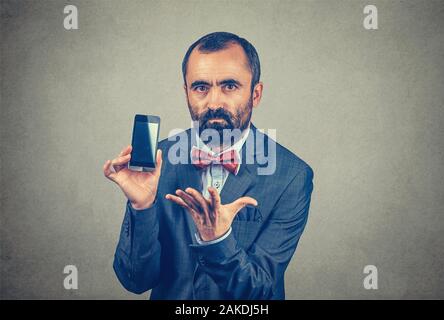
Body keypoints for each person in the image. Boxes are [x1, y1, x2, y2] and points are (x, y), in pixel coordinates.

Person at [103, 31, 314, 299]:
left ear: (256, 94)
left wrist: (219, 241)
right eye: (201, 87)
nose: (214, 102)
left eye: (230, 86)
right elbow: (135, 281)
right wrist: (142, 207)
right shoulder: (156, 162)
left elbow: (260, 291)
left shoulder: (292, 176)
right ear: (186, 92)